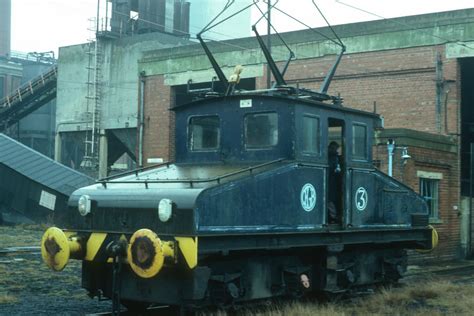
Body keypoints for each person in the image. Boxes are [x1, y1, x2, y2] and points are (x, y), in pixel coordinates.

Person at [328, 141, 342, 224]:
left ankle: (332, 216)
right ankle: (333, 216)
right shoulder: (334, 157)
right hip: (332, 181)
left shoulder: (333, 157)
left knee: (330, 200)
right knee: (331, 200)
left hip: (332, 181)